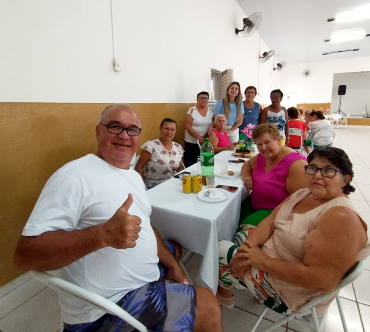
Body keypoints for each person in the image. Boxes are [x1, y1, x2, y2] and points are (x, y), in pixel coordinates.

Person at [13, 104, 223, 332]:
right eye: (115, 127)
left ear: (138, 136)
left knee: (176, 248)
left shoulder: (132, 176)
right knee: (209, 306)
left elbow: (144, 223)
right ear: (98, 131)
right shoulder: (73, 177)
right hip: (109, 307)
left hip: (144, 279)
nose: (124, 135)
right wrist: (101, 235)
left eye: (132, 129)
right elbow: (24, 257)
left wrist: (174, 267)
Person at [218, 147, 369, 329]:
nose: (318, 176)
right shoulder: (303, 193)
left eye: (329, 170)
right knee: (243, 235)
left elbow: (322, 280)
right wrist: (248, 248)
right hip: (273, 257)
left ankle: (225, 289)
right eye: (312, 168)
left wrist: (260, 260)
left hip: (286, 290)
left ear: (345, 179)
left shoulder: (341, 218)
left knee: (219, 249)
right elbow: (270, 221)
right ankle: (239, 273)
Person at [239, 124, 307, 227]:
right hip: (255, 207)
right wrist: (246, 175)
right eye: (259, 144)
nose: (263, 148)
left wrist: (271, 220)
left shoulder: (296, 164)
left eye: (267, 142)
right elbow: (247, 164)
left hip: (278, 214)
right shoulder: (263, 156)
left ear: (279, 140)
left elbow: (302, 200)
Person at [135, 118, 184, 189]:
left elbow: (180, 169)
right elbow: (139, 167)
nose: (169, 132)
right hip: (154, 186)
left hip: (172, 184)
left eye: (172, 129)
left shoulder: (178, 147)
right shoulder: (151, 146)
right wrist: (141, 187)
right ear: (160, 129)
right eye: (166, 129)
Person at [183, 91, 213, 167]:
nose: (203, 100)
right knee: (190, 164)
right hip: (191, 142)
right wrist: (199, 137)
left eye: (206, 98)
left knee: (203, 163)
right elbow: (187, 126)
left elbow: (213, 122)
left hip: (204, 143)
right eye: (201, 98)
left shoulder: (211, 111)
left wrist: (210, 128)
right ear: (196, 100)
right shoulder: (192, 110)